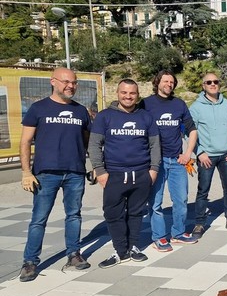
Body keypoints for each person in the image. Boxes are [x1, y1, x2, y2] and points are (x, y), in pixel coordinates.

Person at [19, 67, 92, 282]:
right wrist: (26, 172)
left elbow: (88, 141)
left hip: (75, 172)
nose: (71, 86)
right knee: (39, 219)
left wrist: (93, 166)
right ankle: (30, 262)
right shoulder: (38, 108)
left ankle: (74, 254)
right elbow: (25, 141)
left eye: (74, 82)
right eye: (66, 82)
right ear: (53, 82)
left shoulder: (81, 111)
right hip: (46, 173)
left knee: (74, 215)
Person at [88, 79, 160, 268]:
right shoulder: (105, 116)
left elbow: (154, 145)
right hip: (114, 175)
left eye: (132, 93)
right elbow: (94, 145)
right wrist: (100, 171)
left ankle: (133, 247)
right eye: (124, 92)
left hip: (141, 174)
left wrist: (153, 169)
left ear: (138, 95)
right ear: (118, 93)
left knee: (136, 213)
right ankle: (120, 251)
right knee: (113, 214)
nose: (128, 96)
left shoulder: (146, 117)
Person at [143, 70, 199, 252]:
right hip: (155, 161)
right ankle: (159, 237)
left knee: (181, 199)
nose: (169, 84)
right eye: (165, 81)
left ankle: (178, 232)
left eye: (172, 82)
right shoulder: (145, 104)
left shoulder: (179, 104)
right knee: (156, 202)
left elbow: (192, 129)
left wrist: (188, 153)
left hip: (177, 161)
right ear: (157, 82)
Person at [189, 73, 227, 238]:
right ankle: (199, 223)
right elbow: (190, 132)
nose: (213, 84)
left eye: (216, 82)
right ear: (203, 86)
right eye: (209, 82)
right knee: (203, 190)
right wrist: (199, 152)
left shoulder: (226, 104)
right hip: (207, 156)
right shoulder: (196, 107)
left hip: (226, 154)